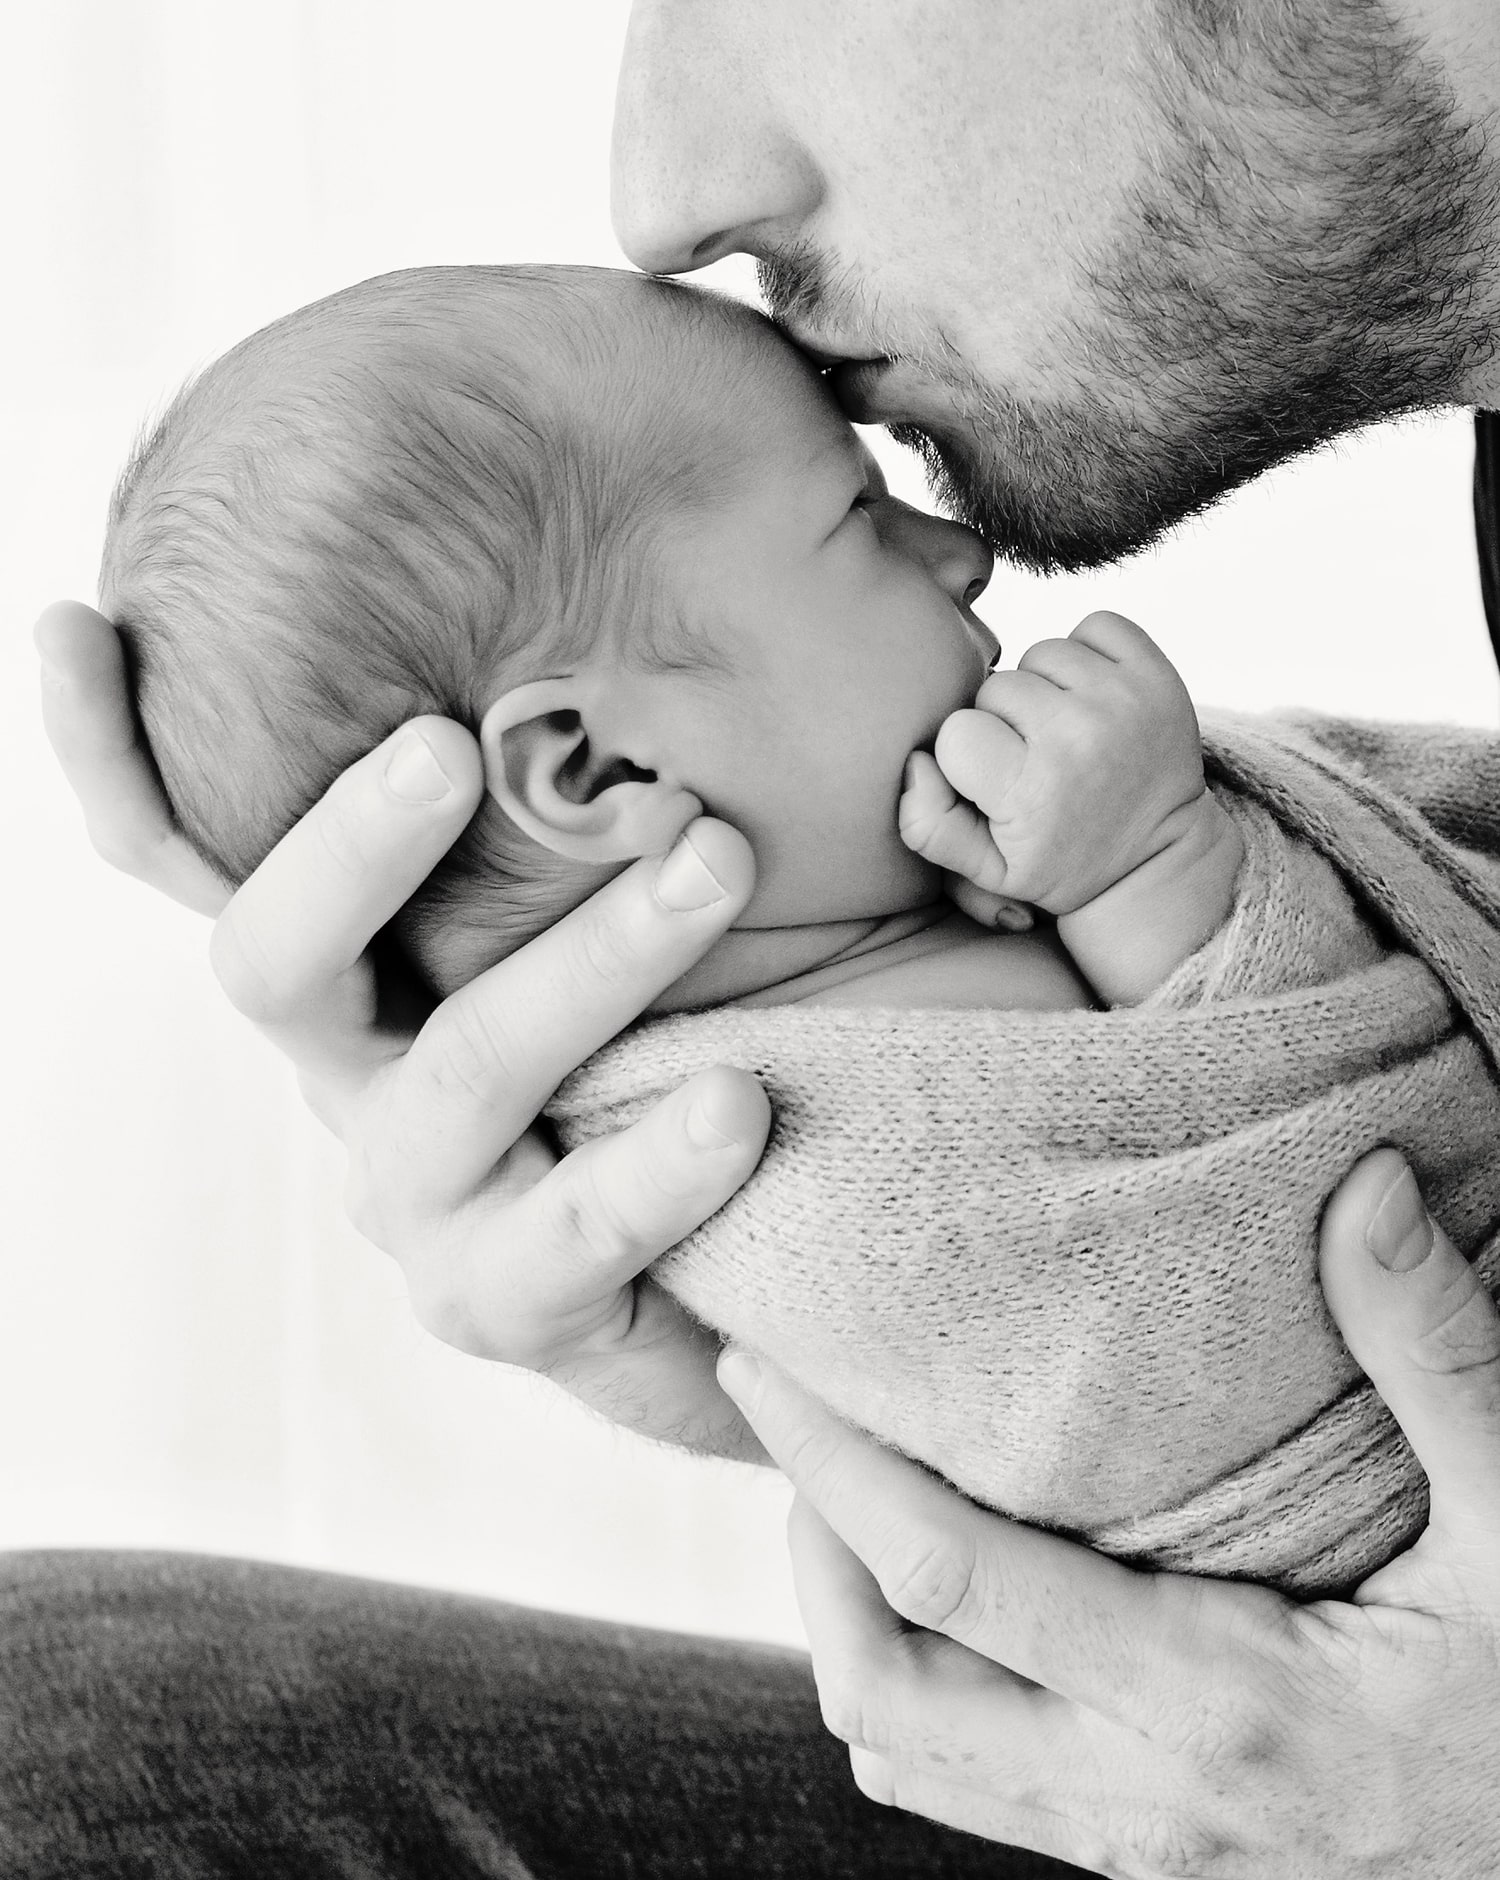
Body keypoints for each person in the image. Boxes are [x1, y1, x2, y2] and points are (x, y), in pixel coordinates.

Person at [17, 0, 1500, 1872]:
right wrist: (726, 1371)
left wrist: (1166, 876)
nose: (662, 196)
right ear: (590, 766)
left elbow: (1355, 1199)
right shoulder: (768, 1099)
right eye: (855, 526)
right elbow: (1118, 1324)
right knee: (62, 1732)